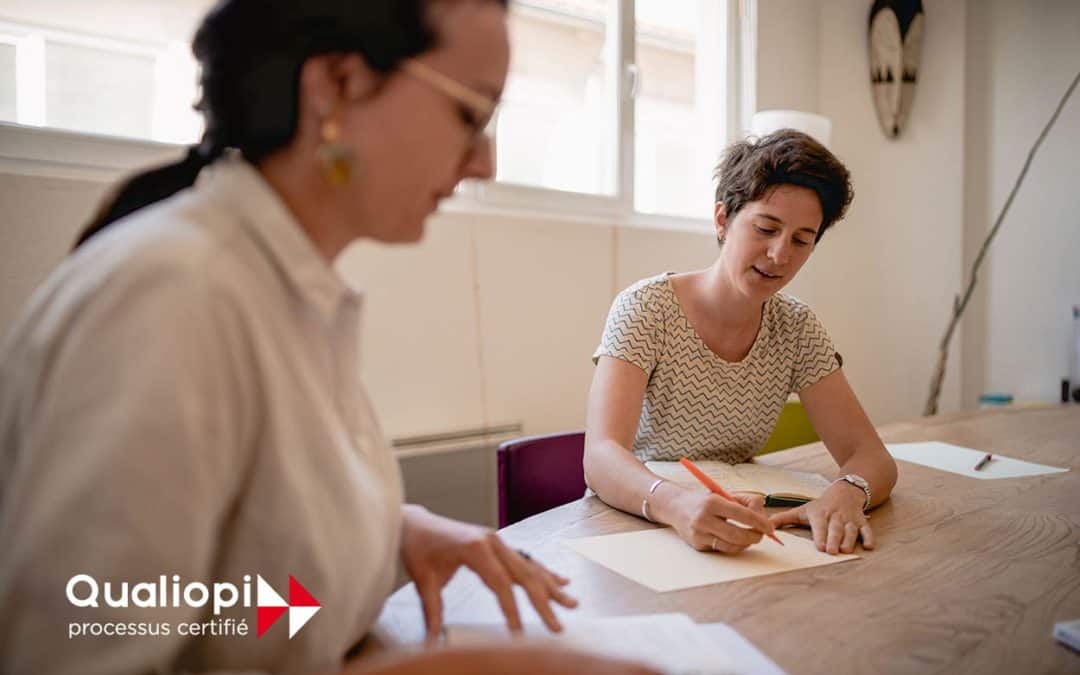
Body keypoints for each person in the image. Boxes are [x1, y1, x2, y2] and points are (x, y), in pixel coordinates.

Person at [0, 1, 655, 674]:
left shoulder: (286, 293)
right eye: (472, 114)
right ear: (336, 85)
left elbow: (215, 605)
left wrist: (388, 531)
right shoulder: (170, 299)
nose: (485, 163)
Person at [584, 129, 898, 558]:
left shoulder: (797, 328)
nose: (779, 255)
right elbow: (601, 455)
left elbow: (871, 456)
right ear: (722, 219)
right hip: (637, 516)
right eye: (766, 228)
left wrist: (847, 492)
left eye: (802, 240)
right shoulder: (646, 308)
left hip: (737, 522)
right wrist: (676, 504)